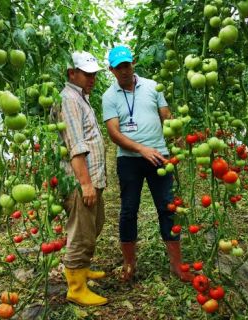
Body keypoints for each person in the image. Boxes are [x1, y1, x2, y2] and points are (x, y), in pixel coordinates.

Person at [102, 45, 193, 283]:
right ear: (111, 70)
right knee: (129, 211)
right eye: (119, 67)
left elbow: (166, 115)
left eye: (127, 65)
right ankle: (129, 264)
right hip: (129, 160)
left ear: (133, 64)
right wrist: (142, 149)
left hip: (160, 157)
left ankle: (177, 264)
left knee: (167, 208)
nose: (124, 70)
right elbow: (113, 133)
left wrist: (177, 138)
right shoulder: (109, 96)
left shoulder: (153, 86)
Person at [52, 51, 108, 306]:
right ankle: (75, 287)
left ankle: (81, 270)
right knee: (82, 232)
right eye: (87, 73)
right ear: (71, 74)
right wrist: (85, 184)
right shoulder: (69, 101)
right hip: (79, 180)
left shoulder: (79, 98)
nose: (92, 78)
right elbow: (76, 144)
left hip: (90, 177)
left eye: (94, 73)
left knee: (95, 223)